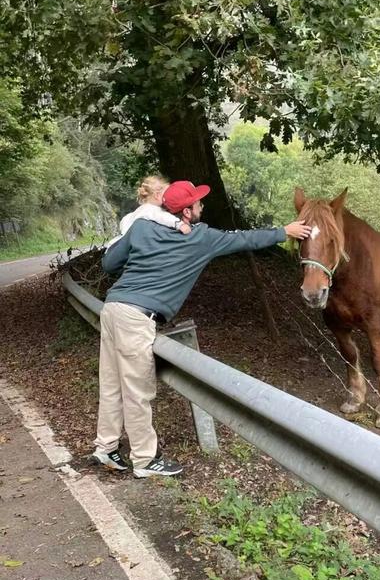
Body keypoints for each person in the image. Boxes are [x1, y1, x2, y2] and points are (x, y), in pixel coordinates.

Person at [92, 180, 311, 478]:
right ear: (186, 212)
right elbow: (244, 239)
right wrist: (283, 231)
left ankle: (105, 447)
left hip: (113, 307)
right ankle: (144, 460)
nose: (202, 206)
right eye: (197, 203)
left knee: (112, 384)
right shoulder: (201, 238)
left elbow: (110, 263)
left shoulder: (142, 227)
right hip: (138, 318)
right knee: (137, 391)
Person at [104, 175, 191, 250]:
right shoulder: (152, 209)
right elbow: (163, 217)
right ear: (157, 195)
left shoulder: (140, 211)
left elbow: (125, 220)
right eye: (167, 193)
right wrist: (180, 224)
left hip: (117, 247)